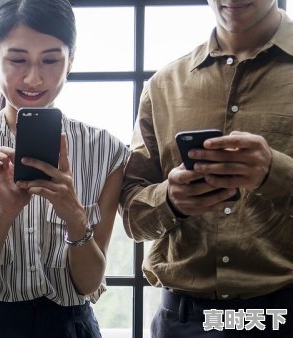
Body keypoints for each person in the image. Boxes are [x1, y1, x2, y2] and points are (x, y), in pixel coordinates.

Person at [0, 0, 129, 337]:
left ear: (71, 62)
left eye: (51, 60)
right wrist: (4, 214)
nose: (34, 77)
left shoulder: (107, 151)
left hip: (72, 325)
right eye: (17, 59)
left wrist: (74, 216)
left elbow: (88, 283)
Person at [120, 1, 293, 337]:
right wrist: (170, 199)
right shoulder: (163, 85)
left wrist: (276, 172)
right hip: (181, 319)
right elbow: (131, 214)